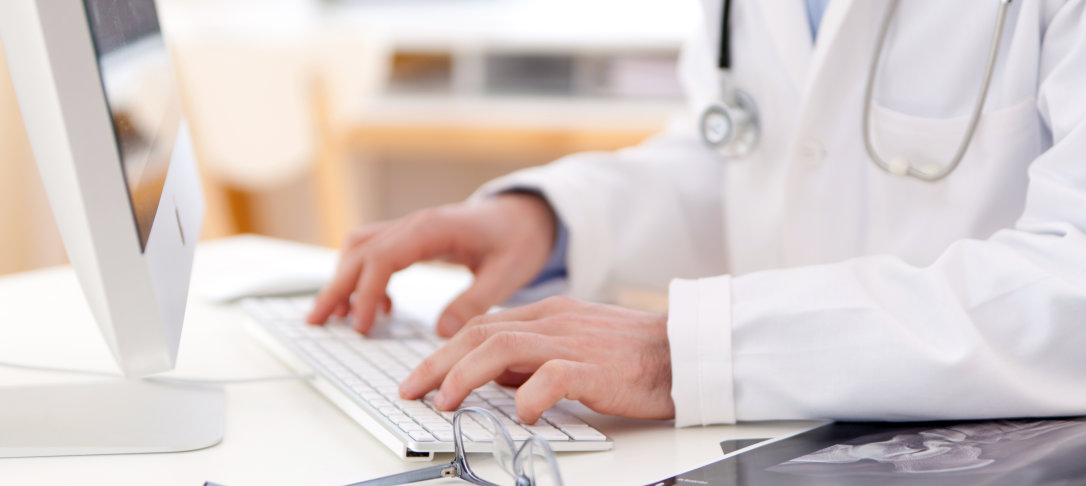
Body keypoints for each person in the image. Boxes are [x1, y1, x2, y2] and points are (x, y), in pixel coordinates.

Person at [307, 0, 1086, 428]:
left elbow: (1072, 282)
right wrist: (553, 220)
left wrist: (693, 349)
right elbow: (758, 155)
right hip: (797, 436)